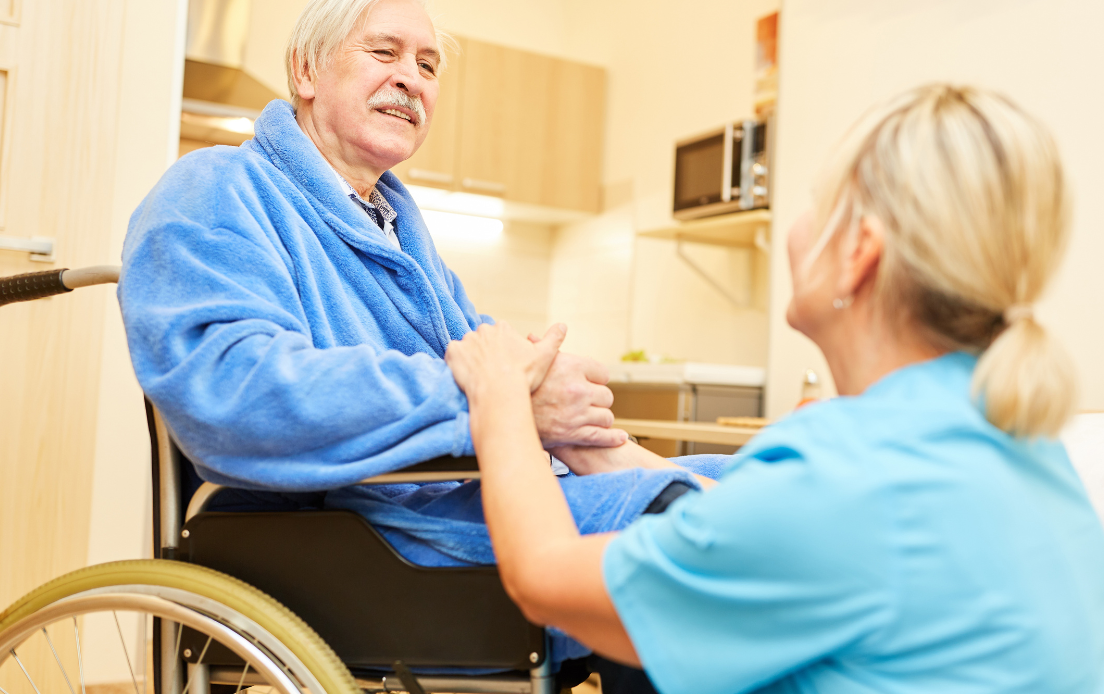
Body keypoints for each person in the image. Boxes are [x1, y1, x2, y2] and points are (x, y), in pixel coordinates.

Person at [445, 84, 1104, 693]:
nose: (798, 228)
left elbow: (545, 579)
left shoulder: (849, 478)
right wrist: (590, 442)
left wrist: (502, 395)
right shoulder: (1004, 431)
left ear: (860, 253)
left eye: (817, 206)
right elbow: (750, 515)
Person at [118, 0, 724, 675]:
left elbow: (489, 362)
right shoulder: (217, 190)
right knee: (674, 530)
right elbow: (233, 388)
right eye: (386, 52)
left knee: (752, 489)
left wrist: (577, 420)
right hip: (351, 529)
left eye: (428, 64)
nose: (413, 78)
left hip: (444, 495)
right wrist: (500, 405)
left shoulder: (399, 230)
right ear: (306, 69)